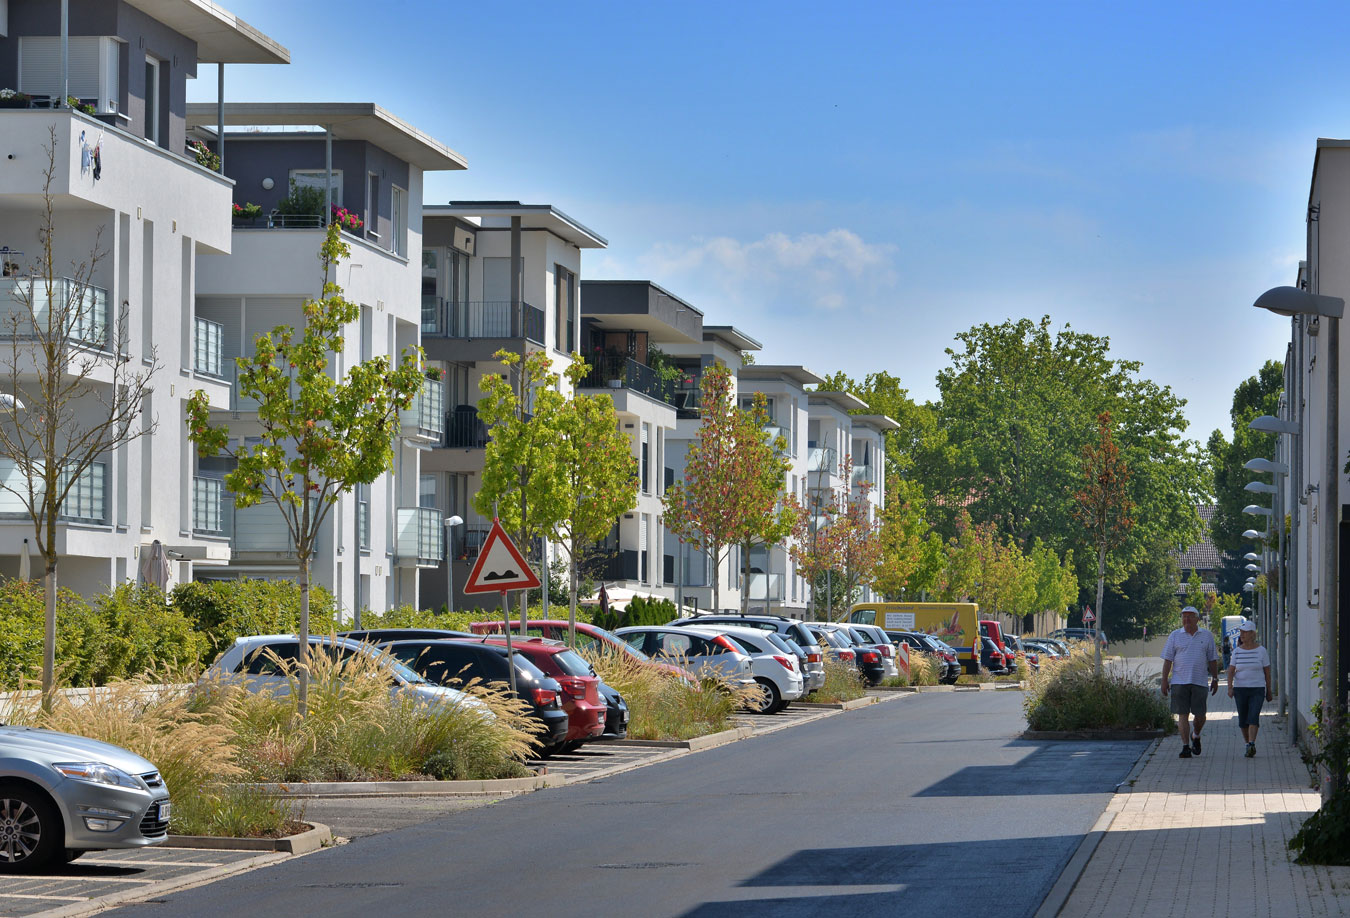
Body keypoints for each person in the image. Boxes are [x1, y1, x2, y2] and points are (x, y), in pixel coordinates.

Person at [1160, 605, 1219, 759]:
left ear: (1197, 619)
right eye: (1184, 616)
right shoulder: (1174, 636)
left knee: (1200, 715)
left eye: (1190, 616)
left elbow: (1213, 659)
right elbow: (1168, 660)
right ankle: (1185, 746)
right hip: (1179, 681)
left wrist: (1215, 678)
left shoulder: (1206, 636)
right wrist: (1165, 680)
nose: (1186, 619)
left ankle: (1196, 735)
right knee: (1182, 715)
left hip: (1199, 681)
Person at [1226, 620, 1272, 757]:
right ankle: (1247, 744)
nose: (1242, 635)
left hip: (1257, 689)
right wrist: (1230, 687)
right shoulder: (1237, 652)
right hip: (1240, 689)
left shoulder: (1262, 651)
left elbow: (1267, 672)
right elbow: (1231, 671)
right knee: (1243, 720)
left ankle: (1252, 743)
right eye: (1241, 633)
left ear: (1253, 634)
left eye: (1245, 632)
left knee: (1253, 716)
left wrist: (1268, 690)